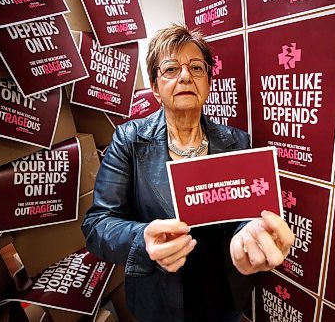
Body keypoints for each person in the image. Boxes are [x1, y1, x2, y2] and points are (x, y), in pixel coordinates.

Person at [81, 24, 295, 322]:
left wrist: (250, 234)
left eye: (196, 67)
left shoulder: (237, 141)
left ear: (208, 81)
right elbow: (97, 225)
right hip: (159, 300)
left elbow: (247, 213)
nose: (185, 76)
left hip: (224, 295)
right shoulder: (129, 140)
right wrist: (143, 238)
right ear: (155, 87)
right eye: (170, 69)